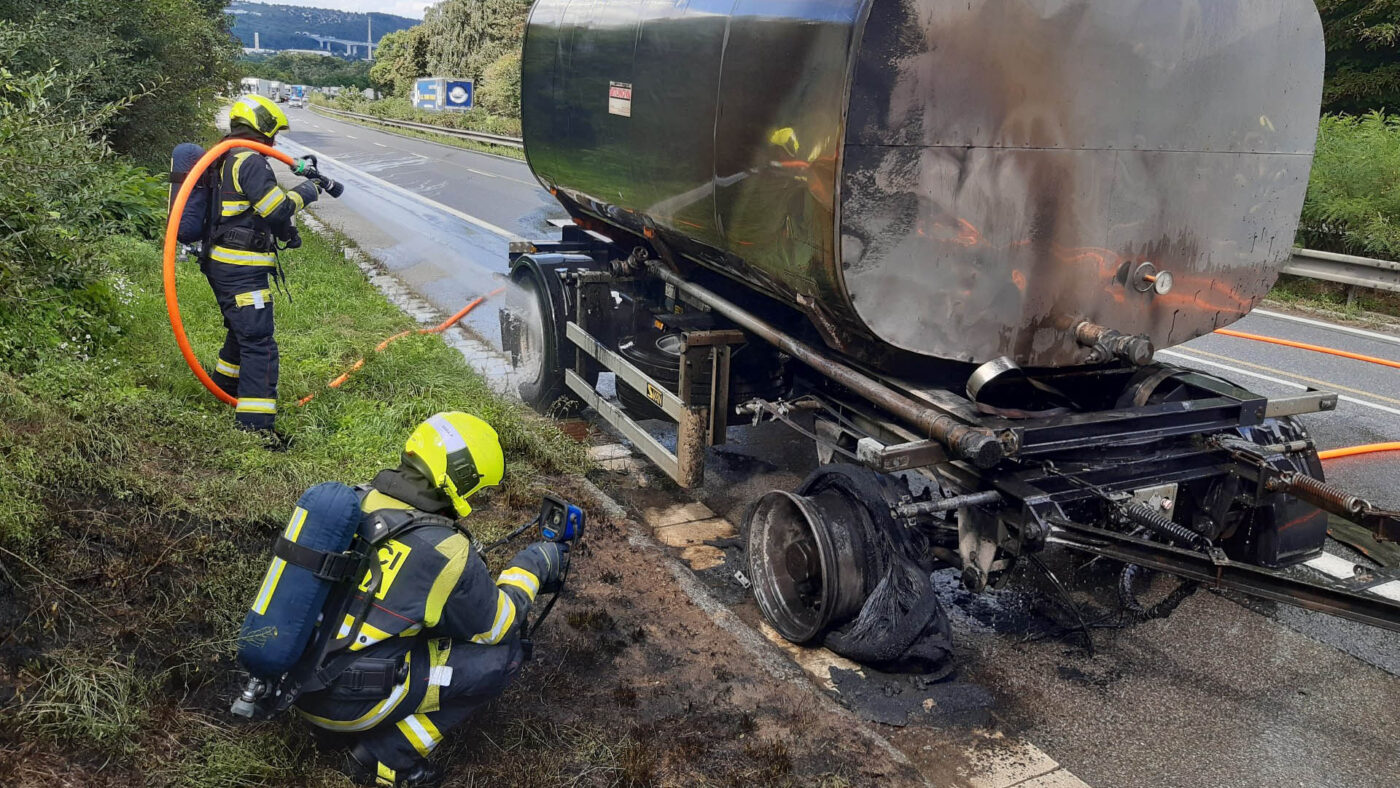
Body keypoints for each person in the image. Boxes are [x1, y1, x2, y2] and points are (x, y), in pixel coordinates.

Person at [288, 412, 568, 787]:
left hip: (295, 683)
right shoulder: (444, 550)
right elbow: (498, 627)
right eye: (476, 488)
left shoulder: (357, 502)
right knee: (503, 658)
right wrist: (533, 564)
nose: (474, 498)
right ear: (461, 478)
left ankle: (332, 729)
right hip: (348, 700)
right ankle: (387, 756)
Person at [205, 94, 323, 438]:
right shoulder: (251, 161)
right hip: (241, 269)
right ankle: (256, 428)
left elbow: (250, 210)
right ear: (261, 129)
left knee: (240, 332)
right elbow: (277, 209)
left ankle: (223, 389)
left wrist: (286, 233)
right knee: (259, 344)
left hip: (224, 264)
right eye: (272, 134)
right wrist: (308, 191)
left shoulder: (225, 155)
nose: (274, 142)